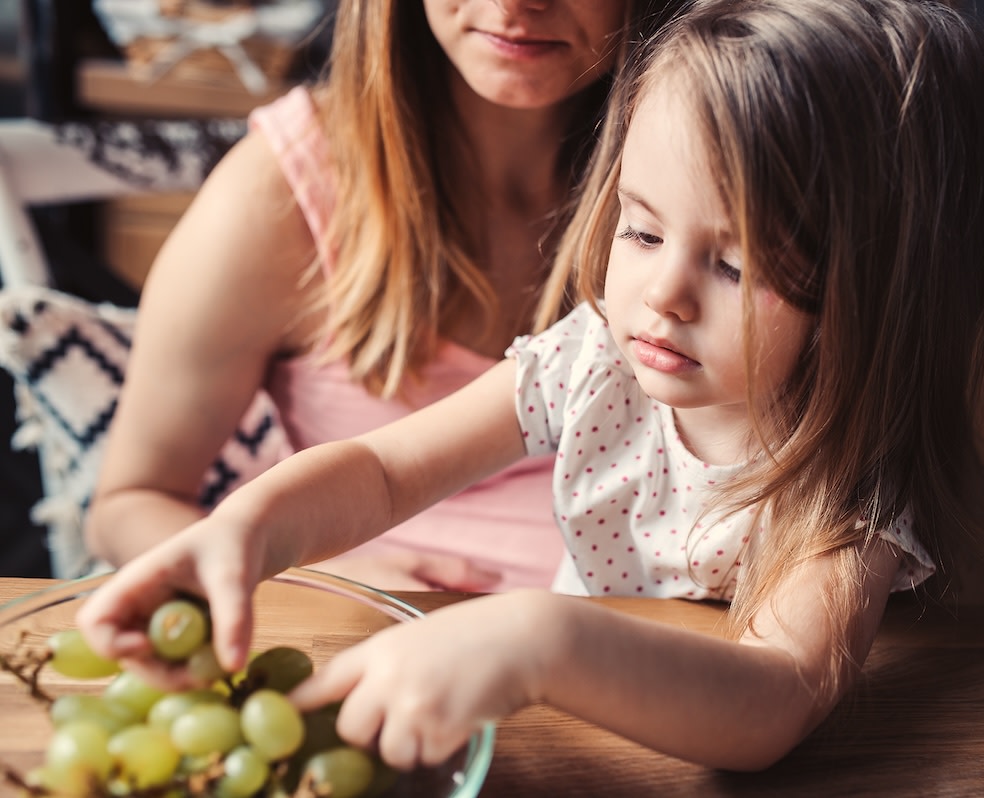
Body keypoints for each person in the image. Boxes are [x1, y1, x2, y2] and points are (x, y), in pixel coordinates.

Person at [80, 0, 984, 772]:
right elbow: (381, 471)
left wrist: (535, 637)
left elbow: (775, 700)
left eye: (736, 267)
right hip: (553, 748)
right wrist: (252, 532)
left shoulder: (842, 480)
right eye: (642, 232)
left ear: (878, 298)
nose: (661, 296)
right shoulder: (597, 360)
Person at [82, 0, 687, 592]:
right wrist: (311, 580)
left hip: (653, 654)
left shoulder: (719, 183)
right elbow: (126, 508)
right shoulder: (281, 192)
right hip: (378, 646)